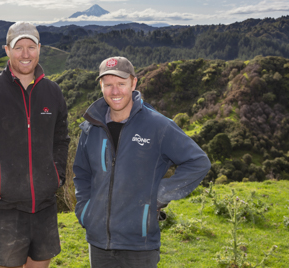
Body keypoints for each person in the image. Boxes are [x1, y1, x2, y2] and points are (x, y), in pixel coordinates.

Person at [73, 56, 211, 268]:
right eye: (108, 85)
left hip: (140, 243)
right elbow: (82, 173)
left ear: (134, 83)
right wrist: (85, 211)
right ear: (101, 86)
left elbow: (198, 162)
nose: (115, 91)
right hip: (99, 242)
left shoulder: (158, 126)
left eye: (121, 83)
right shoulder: (91, 127)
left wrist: (160, 195)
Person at [0, 21, 70, 268]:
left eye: (31, 46)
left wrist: (57, 175)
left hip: (45, 206)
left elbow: (61, 140)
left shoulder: (53, 92)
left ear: (40, 48)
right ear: (7, 50)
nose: (26, 54)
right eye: (19, 47)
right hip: (4, 208)